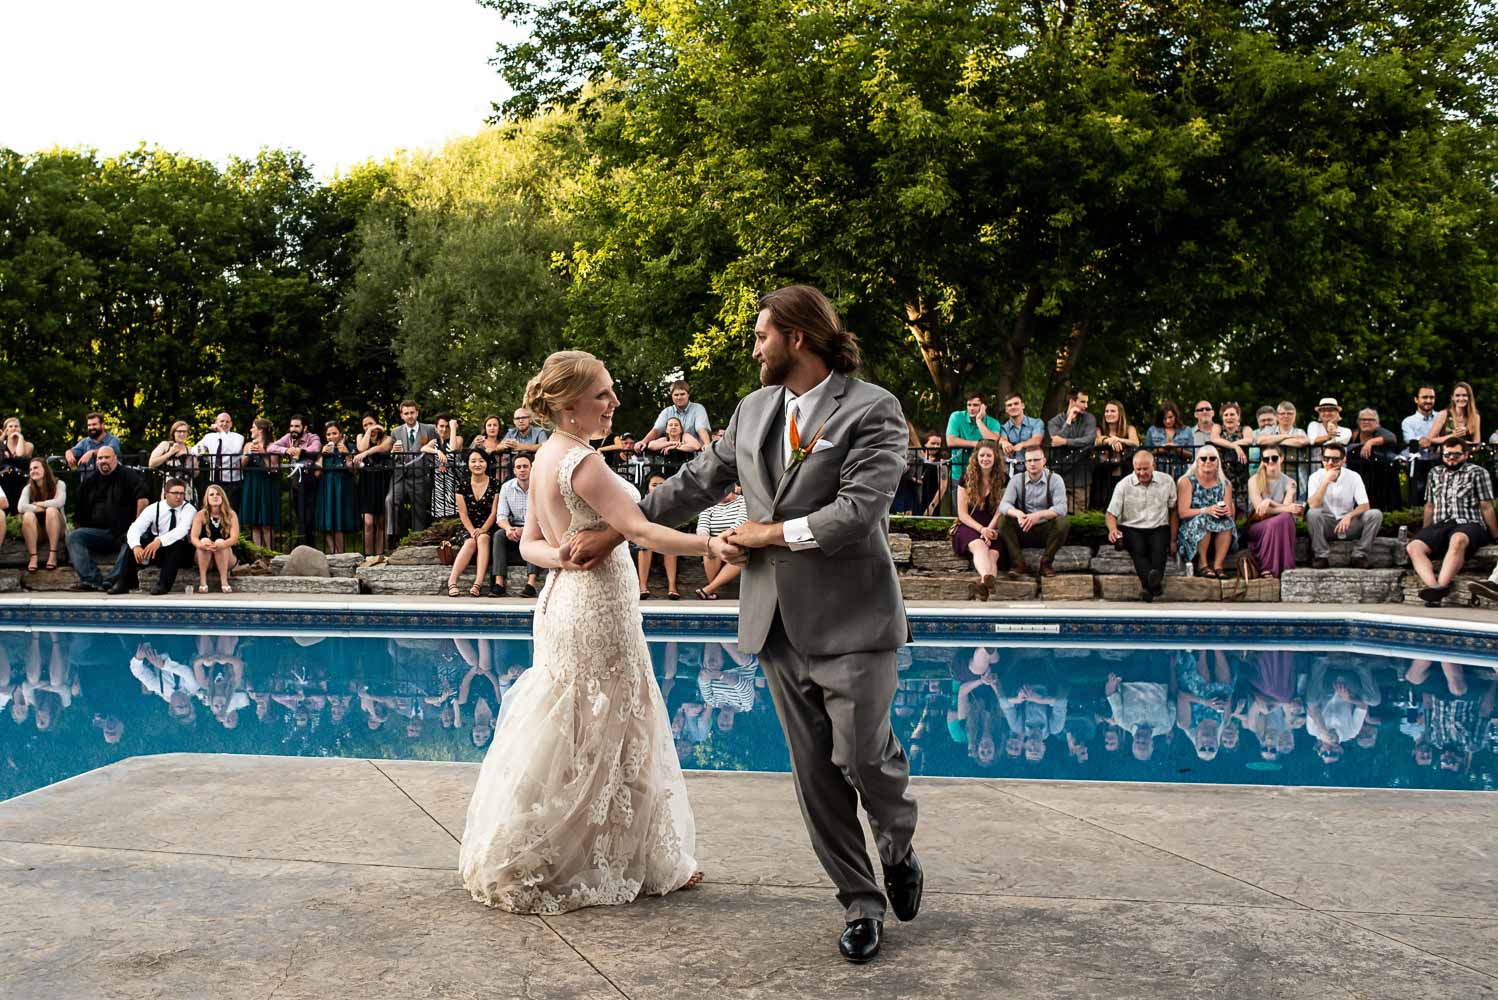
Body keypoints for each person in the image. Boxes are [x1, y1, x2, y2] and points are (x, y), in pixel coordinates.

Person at [565, 286, 920, 963]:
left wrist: (766, 533)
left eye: (761, 335)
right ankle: (859, 901)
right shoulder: (752, 409)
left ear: (797, 337)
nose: (754, 348)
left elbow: (857, 513)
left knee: (863, 758)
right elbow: (694, 483)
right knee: (815, 774)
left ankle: (898, 846)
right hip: (775, 622)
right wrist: (616, 532)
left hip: (854, 618)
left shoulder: (874, 409)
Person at [459, 350, 719, 917]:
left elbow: (531, 545)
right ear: (569, 404)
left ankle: (576, 851)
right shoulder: (583, 462)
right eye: (603, 394)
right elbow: (643, 530)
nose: (614, 402)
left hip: (563, 602)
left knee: (576, 726)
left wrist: (562, 557)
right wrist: (713, 544)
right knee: (615, 723)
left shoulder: (545, 457)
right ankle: (621, 859)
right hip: (597, 607)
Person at [1406, 439, 1498, 606]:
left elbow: (1486, 506)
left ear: (1465, 454)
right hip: (1441, 524)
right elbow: (1430, 505)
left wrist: (1495, 535)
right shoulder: (1435, 473)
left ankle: (1440, 587)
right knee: (1413, 547)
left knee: (1458, 539)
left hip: (1470, 523)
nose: (1451, 458)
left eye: (1456, 454)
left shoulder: (1477, 472)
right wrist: (1425, 532)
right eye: (1447, 454)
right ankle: (1434, 588)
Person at [66, 447, 150, 591]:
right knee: (74, 537)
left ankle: (112, 580)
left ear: (115, 458)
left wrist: (137, 527)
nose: (103, 461)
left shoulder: (128, 475)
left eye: (107, 457)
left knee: (132, 540)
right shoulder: (90, 481)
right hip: (98, 533)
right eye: (100, 458)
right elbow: (79, 511)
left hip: (124, 532)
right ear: (96, 461)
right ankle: (92, 580)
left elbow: (143, 498)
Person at [1105, 449, 1178, 600]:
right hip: (1131, 527)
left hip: (1159, 526)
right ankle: (1154, 587)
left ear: (1153, 466)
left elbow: (1173, 511)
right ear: (1134, 467)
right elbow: (1111, 513)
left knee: (1159, 552)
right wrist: (1112, 529)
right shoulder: (1123, 485)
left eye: (1145, 469)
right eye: (1138, 469)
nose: (1142, 473)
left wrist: (1172, 539)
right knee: (1138, 550)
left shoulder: (1167, 481)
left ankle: (1148, 588)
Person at [113, 478, 197, 595]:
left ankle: (163, 585)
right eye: (175, 493)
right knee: (133, 544)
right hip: (158, 552)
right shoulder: (154, 508)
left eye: (182, 493)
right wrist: (136, 546)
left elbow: (181, 530)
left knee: (176, 545)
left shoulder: (189, 509)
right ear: (165, 494)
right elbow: (136, 527)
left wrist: (159, 541)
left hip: (182, 554)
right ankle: (125, 583)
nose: (179, 497)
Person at [997, 446, 1071, 578]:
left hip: (1046, 530)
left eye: (1036, 460)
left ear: (1044, 461)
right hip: (1024, 529)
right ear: (1025, 463)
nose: (1032, 464)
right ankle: (1018, 564)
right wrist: (1018, 514)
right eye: (1029, 460)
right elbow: (1003, 505)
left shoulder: (1055, 479)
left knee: (1062, 522)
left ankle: (1046, 564)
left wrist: (1038, 515)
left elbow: (1062, 508)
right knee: (1002, 521)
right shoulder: (1017, 480)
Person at [1306, 441, 1382, 569]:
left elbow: (1364, 505)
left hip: (1348, 524)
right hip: (1326, 524)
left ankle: (1360, 555)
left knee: (1375, 515)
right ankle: (1320, 556)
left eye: (1335, 459)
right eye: (1326, 459)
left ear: (1343, 460)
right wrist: (1325, 482)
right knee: (1312, 514)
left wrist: (1349, 516)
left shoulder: (1353, 476)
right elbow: (1313, 504)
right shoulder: (1315, 477)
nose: (1330, 463)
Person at [951, 440, 1005, 600]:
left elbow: (1002, 509)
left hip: (993, 525)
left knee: (993, 554)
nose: (985, 459)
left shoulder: (1003, 479)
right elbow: (962, 514)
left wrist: (989, 530)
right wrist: (982, 530)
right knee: (980, 546)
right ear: (976, 457)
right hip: (970, 524)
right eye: (982, 455)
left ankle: (983, 585)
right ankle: (987, 578)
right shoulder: (966, 478)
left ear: (995, 457)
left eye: (989, 455)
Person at [1175, 445, 1238, 577]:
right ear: (1197, 462)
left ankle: (1218, 566)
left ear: (1218, 462)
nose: (1207, 461)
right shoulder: (1187, 481)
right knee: (1204, 520)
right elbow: (1183, 513)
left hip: (1217, 524)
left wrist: (1224, 511)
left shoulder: (1225, 484)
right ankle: (1202, 564)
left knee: (1227, 522)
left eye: (1212, 458)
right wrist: (1206, 510)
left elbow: (1229, 512)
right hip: (1191, 526)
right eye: (1203, 459)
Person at [1243, 446, 1302, 578]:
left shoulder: (1290, 482)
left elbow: (1286, 511)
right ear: (1263, 461)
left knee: (1285, 518)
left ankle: (1278, 567)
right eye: (1266, 459)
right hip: (1257, 524)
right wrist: (1282, 507)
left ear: (1281, 459)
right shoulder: (1254, 480)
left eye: (1274, 458)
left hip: (1280, 524)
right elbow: (1260, 510)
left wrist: (1271, 501)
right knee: (1279, 520)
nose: (1270, 461)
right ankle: (1268, 567)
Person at [490, 453, 541, 598]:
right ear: (514, 470)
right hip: (514, 526)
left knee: (532, 535)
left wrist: (525, 530)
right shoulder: (507, 487)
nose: (522, 470)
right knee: (499, 535)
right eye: (518, 467)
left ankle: (531, 585)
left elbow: (544, 517)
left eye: (525, 466)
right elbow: (501, 516)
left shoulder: (541, 487)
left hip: (537, 527)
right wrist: (508, 529)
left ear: (532, 468)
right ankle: (499, 584)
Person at [447, 450, 497, 598]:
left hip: (488, 526)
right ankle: (452, 581)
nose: (477, 464)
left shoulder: (495, 484)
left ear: (487, 463)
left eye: (481, 461)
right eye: (473, 461)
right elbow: (463, 514)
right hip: (467, 527)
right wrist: (472, 531)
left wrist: (483, 529)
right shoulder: (461, 486)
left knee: (483, 538)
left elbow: (494, 512)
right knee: (470, 542)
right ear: (468, 464)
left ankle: (478, 583)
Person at [269, 415, 322, 547]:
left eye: (297, 426)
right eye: (292, 426)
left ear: (305, 427)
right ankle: (301, 546)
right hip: (295, 480)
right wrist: (286, 450)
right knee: (299, 516)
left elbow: (316, 448)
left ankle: (308, 547)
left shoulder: (312, 437)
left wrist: (301, 451)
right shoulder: (288, 438)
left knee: (309, 517)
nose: (293, 429)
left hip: (310, 478)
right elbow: (271, 448)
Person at [1104, 665, 1175, 761]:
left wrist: (1111, 682)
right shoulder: (1167, 725)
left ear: (1133, 743)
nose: (1141, 739)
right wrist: (1172, 669)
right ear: (1152, 744)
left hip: (1132, 678)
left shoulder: (1122, 721)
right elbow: (1173, 696)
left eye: (1138, 742)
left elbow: (1111, 695)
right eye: (1144, 743)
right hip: (1160, 679)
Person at [693, 484, 749, 600]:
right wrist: (708, 541)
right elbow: (702, 527)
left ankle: (709, 589)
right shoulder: (708, 505)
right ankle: (710, 590)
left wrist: (723, 539)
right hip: (715, 542)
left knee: (740, 553)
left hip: (735, 540)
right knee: (709, 548)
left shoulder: (743, 501)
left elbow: (740, 523)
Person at [389, 400, 437, 532]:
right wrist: (394, 452)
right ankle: (392, 535)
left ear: (417, 413)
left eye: (412, 412)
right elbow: (393, 458)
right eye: (406, 413)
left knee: (419, 511)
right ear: (401, 415)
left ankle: (418, 538)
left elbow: (443, 441)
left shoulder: (429, 429)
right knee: (390, 500)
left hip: (421, 476)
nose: (409, 416)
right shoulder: (395, 432)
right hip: (401, 477)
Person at [1047, 389, 1096, 513]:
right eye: (1082, 402)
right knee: (1059, 514)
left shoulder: (1089, 418)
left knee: (1079, 515)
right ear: (1072, 402)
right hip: (1060, 476)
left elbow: (1089, 440)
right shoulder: (1054, 421)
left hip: (1081, 477)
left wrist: (1065, 442)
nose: (1086, 406)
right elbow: (1055, 442)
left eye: (1087, 402)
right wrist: (1068, 421)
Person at [314, 422, 360, 554]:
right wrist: (322, 455)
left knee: (340, 522)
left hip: (343, 488)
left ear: (340, 434)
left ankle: (342, 554)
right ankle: (334, 553)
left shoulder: (350, 447)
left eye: (334, 433)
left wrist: (347, 454)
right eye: (328, 434)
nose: (331, 437)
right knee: (327, 522)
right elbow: (316, 473)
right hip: (326, 487)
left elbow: (354, 470)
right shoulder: (322, 449)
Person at [353, 416, 394, 559]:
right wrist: (369, 431)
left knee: (381, 521)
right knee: (368, 522)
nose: (368, 427)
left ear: (377, 423)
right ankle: (368, 555)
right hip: (366, 482)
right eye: (365, 425)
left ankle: (380, 554)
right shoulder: (361, 437)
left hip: (382, 481)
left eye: (370, 423)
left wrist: (365, 454)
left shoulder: (387, 438)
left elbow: (383, 448)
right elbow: (361, 448)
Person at [1347, 407, 1401, 513]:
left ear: (1377, 423)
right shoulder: (1353, 434)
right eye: (1363, 419)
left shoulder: (1379, 432)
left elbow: (1392, 437)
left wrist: (1370, 442)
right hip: (1357, 474)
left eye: (1370, 420)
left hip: (1378, 477)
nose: (1366, 422)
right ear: (1358, 422)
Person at [634, 473, 680, 599]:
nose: (658, 487)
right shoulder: (642, 502)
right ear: (648, 488)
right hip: (646, 536)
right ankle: (642, 586)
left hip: (665, 535)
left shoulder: (672, 501)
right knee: (644, 545)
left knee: (671, 546)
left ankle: (672, 587)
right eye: (654, 485)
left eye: (662, 484)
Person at [944, 392, 1002, 489]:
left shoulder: (993, 422)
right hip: (959, 472)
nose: (971, 408)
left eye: (975, 405)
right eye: (969, 405)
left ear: (984, 407)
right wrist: (977, 444)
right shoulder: (956, 416)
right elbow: (950, 441)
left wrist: (979, 420)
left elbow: (993, 442)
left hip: (983, 474)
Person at [18, 457, 67, 572]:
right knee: (27, 515)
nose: (33, 471)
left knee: (51, 510)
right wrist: (39, 509)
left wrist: (41, 504)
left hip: (57, 528)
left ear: (45, 469)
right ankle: (33, 556)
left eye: (36, 468)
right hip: (39, 531)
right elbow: (21, 507)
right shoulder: (28, 488)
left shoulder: (59, 484)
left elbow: (59, 502)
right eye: (30, 469)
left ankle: (53, 554)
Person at [239, 418, 280, 550]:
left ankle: (270, 553)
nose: (251, 429)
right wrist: (248, 454)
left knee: (266, 522)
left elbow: (274, 468)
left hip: (266, 484)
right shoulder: (248, 445)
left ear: (261, 430)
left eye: (253, 427)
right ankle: (259, 554)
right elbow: (240, 465)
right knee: (254, 523)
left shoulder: (272, 446)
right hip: (251, 483)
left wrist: (264, 454)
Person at [190, 483, 240, 594]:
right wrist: (202, 546)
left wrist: (222, 545)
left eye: (218, 494)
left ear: (223, 497)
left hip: (226, 556)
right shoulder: (201, 515)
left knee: (220, 542)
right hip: (206, 558)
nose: (215, 496)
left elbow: (234, 538)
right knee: (204, 541)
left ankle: (224, 582)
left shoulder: (231, 514)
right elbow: (193, 537)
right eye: (211, 494)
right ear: (207, 499)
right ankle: (203, 581)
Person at [636, 380, 711, 453]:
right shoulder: (667, 412)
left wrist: (707, 444)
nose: (679, 397)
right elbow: (657, 430)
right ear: (672, 396)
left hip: (695, 454)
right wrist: (643, 441)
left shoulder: (698, 408)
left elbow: (701, 428)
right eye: (676, 395)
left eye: (682, 394)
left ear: (688, 394)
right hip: (671, 455)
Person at [1090, 400, 1139, 510]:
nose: (1109, 414)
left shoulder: (1129, 429)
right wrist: (1109, 440)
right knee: (1103, 504)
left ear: (1120, 413)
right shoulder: (1099, 429)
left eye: (1112, 411)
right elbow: (1097, 440)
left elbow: (1135, 442)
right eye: (1106, 411)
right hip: (1103, 473)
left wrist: (1118, 439)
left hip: (1123, 471)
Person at [194, 412, 246, 505]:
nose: (224, 424)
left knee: (231, 507)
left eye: (227, 422)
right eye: (222, 421)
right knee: (215, 506)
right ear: (216, 422)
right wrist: (197, 452)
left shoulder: (238, 437)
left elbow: (234, 450)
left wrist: (221, 432)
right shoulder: (209, 437)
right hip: (214, 480)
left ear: (231, 424)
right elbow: (196, 450)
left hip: (232, 481)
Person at [1256, 402, 1311, 490]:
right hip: (1270, 473)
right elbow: (1260, 440)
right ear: (1277, 416)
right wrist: (1286, 436)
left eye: (1289, 413)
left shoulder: (1299, 431)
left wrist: (1274, 441)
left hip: (1295, 474)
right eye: (1282, 413)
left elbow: (1301, 442)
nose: (1286, 416)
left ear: (1294, 416)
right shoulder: (1268, 430)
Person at [1402, 385, 1440, 505]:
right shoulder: (1408, 421)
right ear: (1416, 399)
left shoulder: (1441, 417)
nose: (1428, 400)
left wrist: (1429, 441)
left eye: (1431, 397)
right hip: (1418, 464)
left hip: (1439, 462)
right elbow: (1412, 441)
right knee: (1417, 496)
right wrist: (1434, 440)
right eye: (1425, 397)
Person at [425, 413, 464, 521]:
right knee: (440, 518)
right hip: (439, 485)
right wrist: (437, 451)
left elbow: (452, 448)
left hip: (453, 483)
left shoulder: (458, 439)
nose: (444, 429)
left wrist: (453, 427)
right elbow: (423, 448)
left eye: (447, 426)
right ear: (436, 428)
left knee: (455, 516)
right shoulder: (435, 442)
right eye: (441, 426)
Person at [997, 393, 1045, 477]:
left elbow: (1037, 440)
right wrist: (1004, 442)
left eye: (1016, 403)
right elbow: (1002, 439)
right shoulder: (1004, 427)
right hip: (1011, 469)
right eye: (1009, 405)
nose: (1013, 407)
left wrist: (1022, 445)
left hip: (1032, 467)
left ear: (1022, 405)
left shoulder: (1036, 422)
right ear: (1006, 409)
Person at [1143, 400, 1194, 478]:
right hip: (1158, 471)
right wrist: (1160, 450)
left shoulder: (1186, 430)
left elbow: (1191, 455)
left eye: (1170, 417)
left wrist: (1177, 449)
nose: (1168, 421)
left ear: (1175, 416)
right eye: (1164, 418)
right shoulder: (1152, 430)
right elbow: (1146, 454)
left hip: (1180, 471)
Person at [147, 420, 198, 496]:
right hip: (171, 486)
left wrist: (190, 458)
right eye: (179, 431)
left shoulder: (190, 449)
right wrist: (170, 453)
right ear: (173, 432)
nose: (182, 434)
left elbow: (195, 474)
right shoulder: (166, 445)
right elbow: (151, 463)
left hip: (187, 487)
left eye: (185, 431)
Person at [1431, 381, 1482, 449]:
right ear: (1452, 397)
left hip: (1467, 454)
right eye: (1457, 395)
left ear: (1469, 397)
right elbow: (1431, 439)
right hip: (1446, 454)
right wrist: (1453, 436)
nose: (1461, 398)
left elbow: (1477, 444)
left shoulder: (1475, 417)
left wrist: (1463, 443)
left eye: (1464, 395)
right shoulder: (1444, 414)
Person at [0, 417, 34, 512]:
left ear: (20, 429)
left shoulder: (28, 445)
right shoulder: (2, 445)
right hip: (5, 481)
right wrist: (3, 436)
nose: (14, 428)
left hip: (22, 480)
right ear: (6, 430)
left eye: (16, 426)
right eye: (10, 426)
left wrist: (20, 438)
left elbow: (20, 455)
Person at [1306, 397, 1352, 465]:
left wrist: (1330, 424)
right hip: (1316, 467)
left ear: (1337, 413)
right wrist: (1328, 437)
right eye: (1323, 411)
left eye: (1331, 410)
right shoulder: (1313, 425)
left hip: (1338, 467)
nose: (1327, 413)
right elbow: (1313, 441)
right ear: (1319, 413)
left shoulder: (1346, 431)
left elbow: (1333, 444)